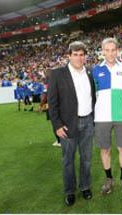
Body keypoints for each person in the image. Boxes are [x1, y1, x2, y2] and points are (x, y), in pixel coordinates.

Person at [48, 41, 96, 206]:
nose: (78, 58)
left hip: (88, 122)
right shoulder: (57, 74)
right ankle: (69, 191)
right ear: (69, 56)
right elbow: (52, 103)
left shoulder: (89, 72)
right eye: (75, 54)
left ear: (85, 56)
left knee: (87, 159)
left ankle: (85, 187)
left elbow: (92, 97)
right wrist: (57, 125)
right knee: (68, 161)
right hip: (68, 125)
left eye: (81, 54)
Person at [92, 38, 122, 195]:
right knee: (105, 149)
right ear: (102, 51)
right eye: (107, 50)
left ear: (117, 51)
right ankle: (108, 178)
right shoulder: (95, 70)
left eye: (113, 50)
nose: (110, 53)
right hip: (101, 117)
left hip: (121, 115)